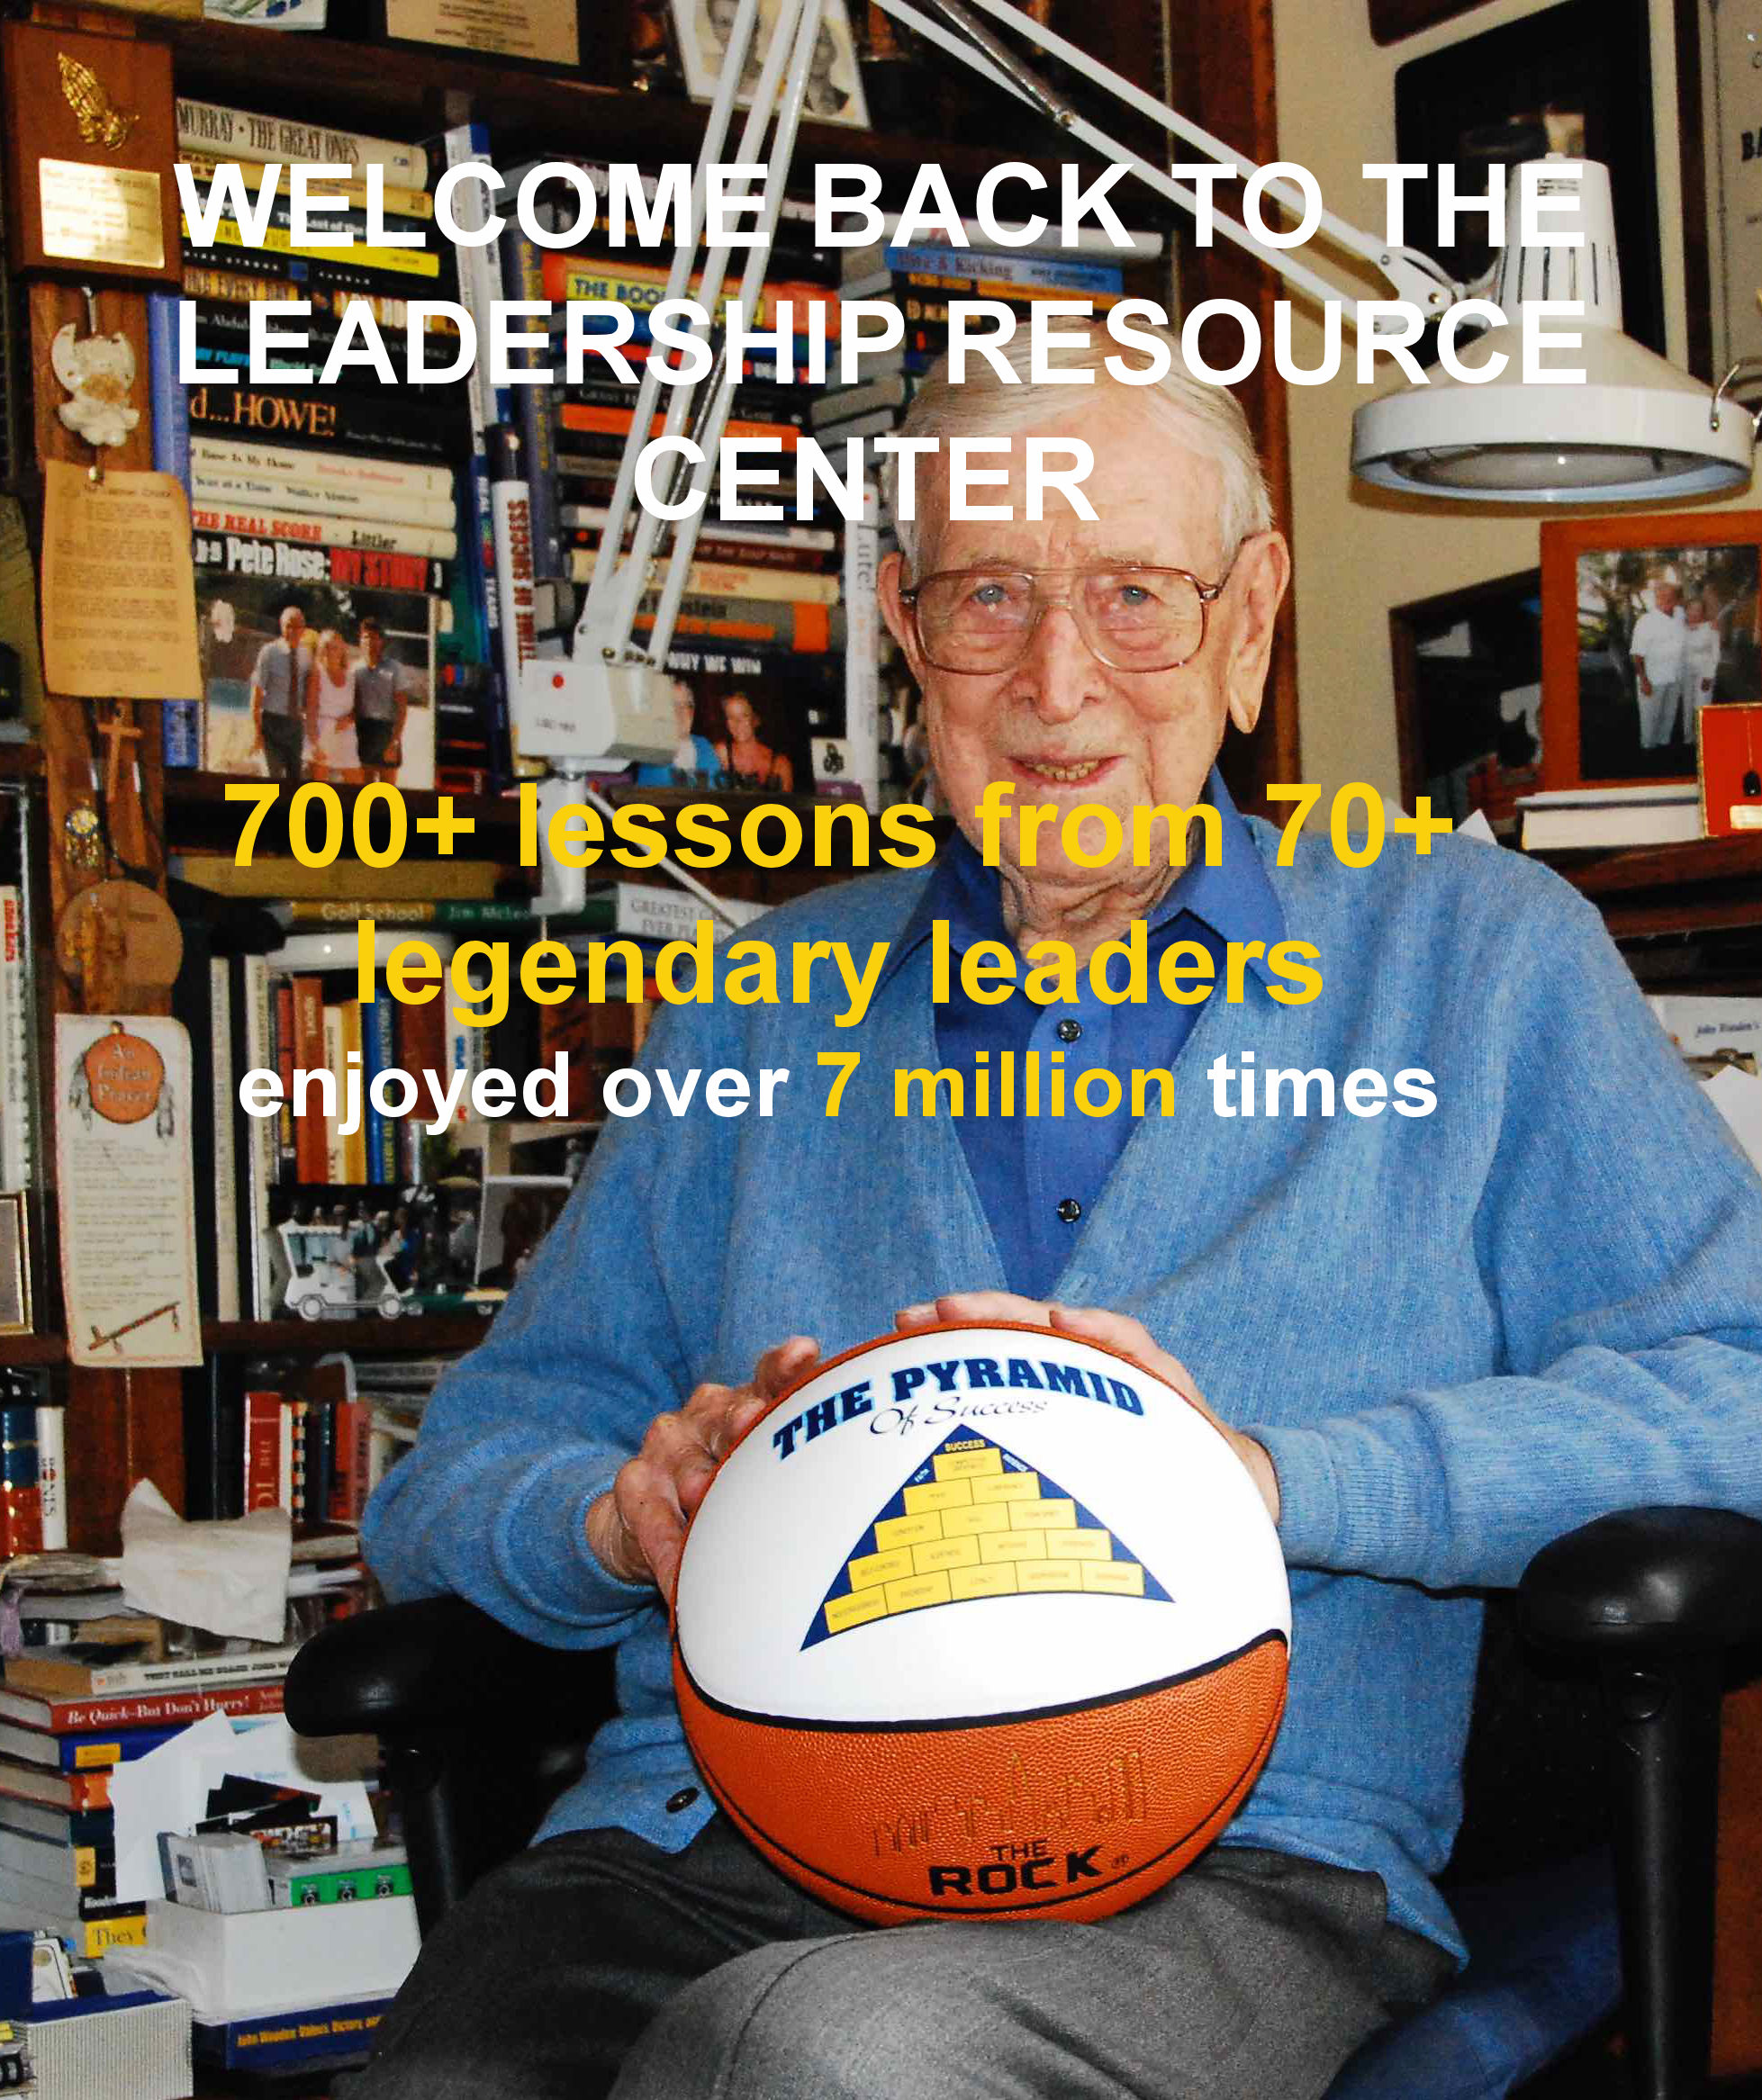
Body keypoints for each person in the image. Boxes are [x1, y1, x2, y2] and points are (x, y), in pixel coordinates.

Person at [353, 329, 1762, 2100]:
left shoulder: (1467, 961)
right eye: (990, 598)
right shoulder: (764, 1001)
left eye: (1135, 598)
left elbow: (1736, 1379)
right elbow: (454, 1471)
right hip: (714, 1829)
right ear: (898, 623)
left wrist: (1261, 1479)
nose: (1058, 680)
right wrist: (613, 1516)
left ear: (1250, 623)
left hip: (1226, 1857)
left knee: (826, 2058)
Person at [249, 604, 312, 781]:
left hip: (295, 725)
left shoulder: (307, 655)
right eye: (289, 626)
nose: (293, 631)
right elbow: (257, 693)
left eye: (298, 626)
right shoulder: (269, 652)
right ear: (281, 626)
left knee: (295, 779)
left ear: (304, 629)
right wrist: (257, 731)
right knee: (272, 777)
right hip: (272, 723)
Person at [1630, 574, 1686, 751]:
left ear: (1676, 599)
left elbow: (1694, 618)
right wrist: (1644, 680)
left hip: (1675, 676)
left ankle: (1664, 744)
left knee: (1669, 715)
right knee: (1650, 717)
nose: (1665, 600)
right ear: (1655, 598)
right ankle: (1648, 747)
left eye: (1670, 597)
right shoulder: (1646, 622)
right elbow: (1637, 655)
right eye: (1661, 596)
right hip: (1653, 678)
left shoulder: (1680, 614)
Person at [351, 618, 407, 785]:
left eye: (374, 637)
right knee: (364, 790)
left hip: (387, 731)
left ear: (381, 641)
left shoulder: (394, 668)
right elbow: (353, 704)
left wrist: (395, 740)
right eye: (366, 637)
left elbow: (402, 709)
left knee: (388, 790)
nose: (370, 642)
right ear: (360, 640)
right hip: (364, 731)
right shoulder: (355, 670)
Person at [635, 679, 720, 786]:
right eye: (673, 705)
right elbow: (666, 788)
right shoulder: (653, 747)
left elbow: (718, 788)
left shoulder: (703, 745)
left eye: (685, 706)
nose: (680, 713)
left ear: (692, 712)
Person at [306, 628, 359, 782]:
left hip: (347, 732)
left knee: (356, 784)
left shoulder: (351, 677)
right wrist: (314, 743)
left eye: (335, 647)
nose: (331, 651)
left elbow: (359, 707)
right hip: (322, 732)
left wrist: (349, 720)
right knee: (320, 789)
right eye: (327, 647)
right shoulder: (317, 674)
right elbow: (311, 710)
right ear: (321, 650)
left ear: (342, 649)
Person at [714, 689, 793, 790]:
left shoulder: (780, 763)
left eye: (744, 716)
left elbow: (787, 804)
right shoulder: (721, 752)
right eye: (731, 717)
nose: (737, 723)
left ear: (755, 719)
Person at [1683, 591, 1722, 731]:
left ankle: (1703, 738)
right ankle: (1688, 738)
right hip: (1686, 672)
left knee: (1701, 705)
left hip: (1704, 672)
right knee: (1687, 705)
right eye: (1691, 609)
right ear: (1686, 610)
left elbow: (1716, 654)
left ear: (1702, 613)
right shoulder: (1681, 628)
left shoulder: (1711, 628)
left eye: (1698, 610)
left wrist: (1709, 675)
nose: (1694, 612)